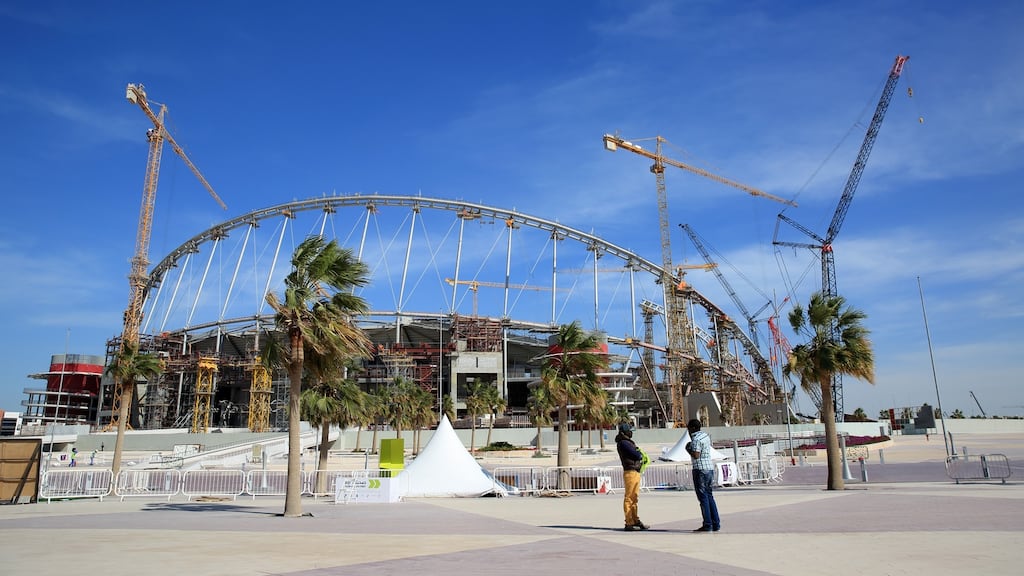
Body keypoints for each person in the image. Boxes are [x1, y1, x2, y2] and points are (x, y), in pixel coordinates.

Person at [685, 419, 720, 532]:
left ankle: (707, 524)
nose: (688, 431)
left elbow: (696, 455)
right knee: (709, 496)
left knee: (703, 497)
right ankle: (716, 523)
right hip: (709, 468)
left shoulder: (695, 439)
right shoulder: (705, 436)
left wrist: (688, 449)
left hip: (700, 469)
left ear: (692, 428)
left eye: (689, 428)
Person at [615, 422, 649, 531]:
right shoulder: (624, 443)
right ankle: (629, 522)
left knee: (634, 497)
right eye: (629, 431)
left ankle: (635, 519)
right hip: (630, 471)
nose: (631, 433)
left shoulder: (626, 442)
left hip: (634, 471)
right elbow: (636, 455)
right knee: (629, 497)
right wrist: (639, 453)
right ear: (625, 432)